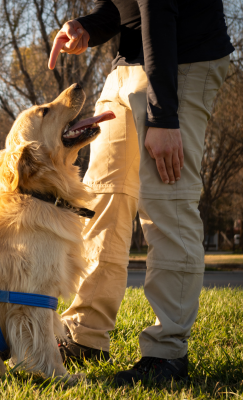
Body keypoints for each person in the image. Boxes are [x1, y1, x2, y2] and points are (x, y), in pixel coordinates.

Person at [48, 0, 234, 385]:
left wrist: (164, 117)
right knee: (102, 198)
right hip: (127, 66)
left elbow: (160, 6)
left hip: (180, 64)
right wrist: (87, 26)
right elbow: (123, 7)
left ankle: (166, 354)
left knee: (168, 203)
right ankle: (85, 335)